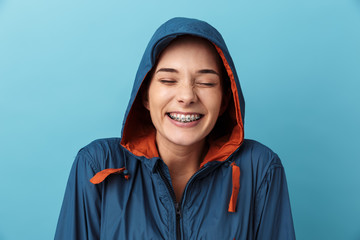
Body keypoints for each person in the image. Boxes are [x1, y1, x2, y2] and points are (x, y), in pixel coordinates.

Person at [55, 17, 295, 239]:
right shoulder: (97, 164)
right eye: (168, 80)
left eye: (206, 82)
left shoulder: (260, 168)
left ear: (224, 100)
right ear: (145, 95)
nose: (186, 96)